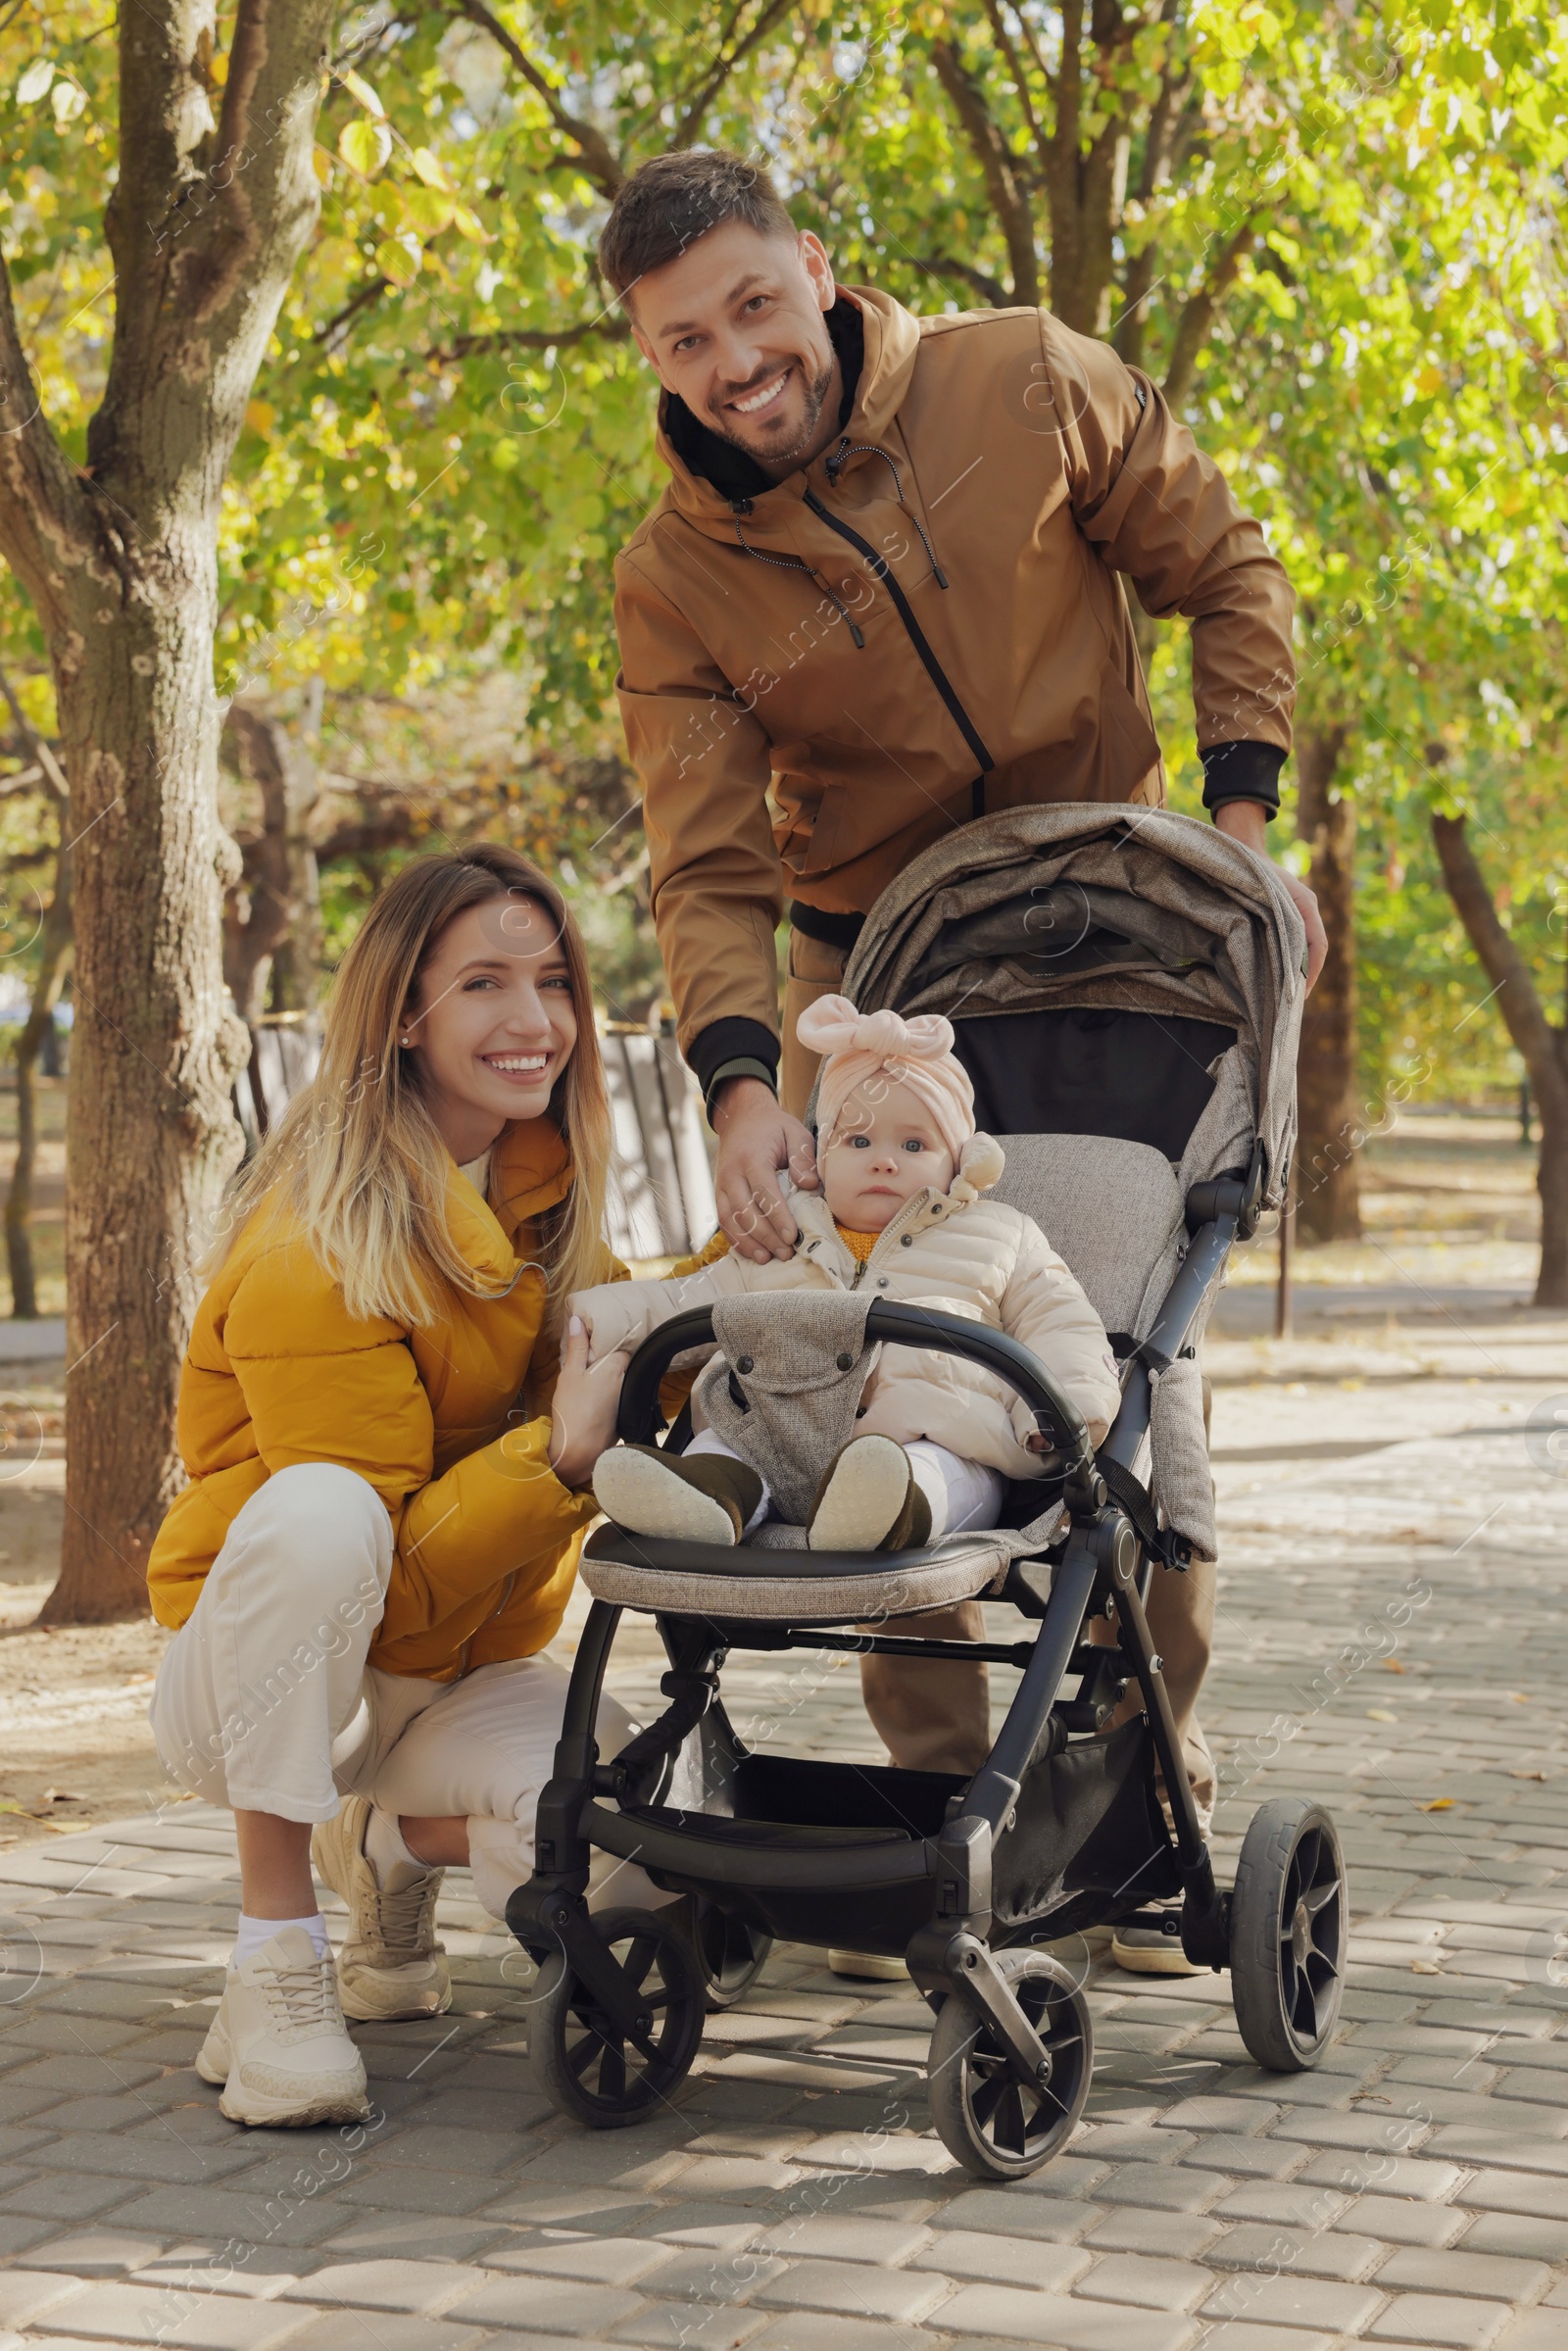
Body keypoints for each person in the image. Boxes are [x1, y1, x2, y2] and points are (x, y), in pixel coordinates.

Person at [601, 149, 1312, 1966]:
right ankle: (950, 1814)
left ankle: (1147, 1780)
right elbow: (708, 857)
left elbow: (1226, 567)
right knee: (885, 1368)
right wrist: (747, 1078)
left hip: (1131, 934)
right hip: (886, 977)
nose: (733, 359)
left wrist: (1240, 822)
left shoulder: (1023, 377)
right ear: (654, 361)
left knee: (1130, 1380)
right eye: (684, 340)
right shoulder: (678, 578)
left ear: (813, 269)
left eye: (753, 304)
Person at [145, 846, 648, 2130]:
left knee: (661, 1834)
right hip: (275, 1672)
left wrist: (789, 1252)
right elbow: (396, 1593)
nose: (533, 1020)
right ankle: (275, 1959)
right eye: (485, 982)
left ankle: (377, 1847)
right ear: (407, 1015)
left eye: (552, 980)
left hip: (440, 1677)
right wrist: (566, 1455)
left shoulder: (546, 1195)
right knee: (326, 1512)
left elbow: (642, 1330)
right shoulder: (321, 1231)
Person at [575, 996, 1119, 1554]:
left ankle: (885, 1509)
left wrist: (1064, 1408)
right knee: (720, 1446)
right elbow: (689, 1301)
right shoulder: (785, 1231)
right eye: (857, 1141)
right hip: (771, 1429)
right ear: (820, 1158)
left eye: (913, 1145)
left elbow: (1060, 1323)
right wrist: (599, 1317)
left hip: (931, 1430)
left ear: (960, 1161)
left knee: (933, 1473)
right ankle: (705, 1498)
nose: (883, 1160)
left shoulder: (1000, 1235)